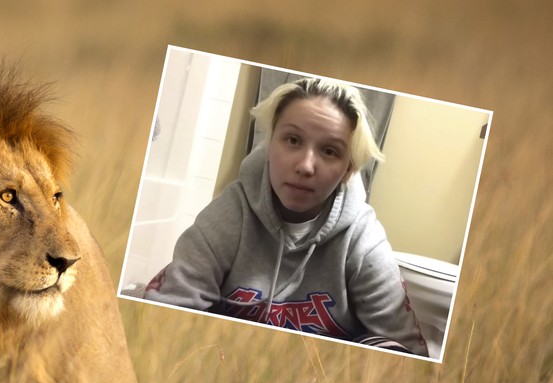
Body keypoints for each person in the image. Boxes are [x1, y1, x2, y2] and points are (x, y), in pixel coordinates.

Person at [143, 76, 428, 356]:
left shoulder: (364, 241)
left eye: (330, 151)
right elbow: (164, 321)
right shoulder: (226, 218)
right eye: (292, 140)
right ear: (269, 146)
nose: (305, 166)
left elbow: (407, 355)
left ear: (348, 170)